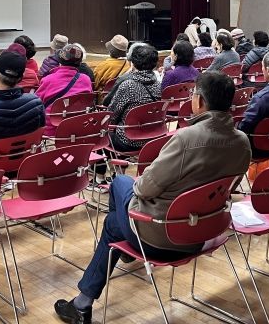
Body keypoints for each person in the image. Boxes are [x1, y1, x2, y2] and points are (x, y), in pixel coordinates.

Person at [53, 72, 251, 324]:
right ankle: (88, 295)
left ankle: (84, 303)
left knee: (120, 188)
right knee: (116, 220)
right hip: (202, 231)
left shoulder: (186, 138)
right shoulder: (242, 141)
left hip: (162, 235)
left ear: (199, 100)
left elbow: (144, 189)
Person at [107, 43, 161, 155]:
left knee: (99, 135)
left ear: (133, 62)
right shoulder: (159, 85)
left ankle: (105, 166)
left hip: (128, 141)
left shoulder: (128, 85)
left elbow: (112, 114)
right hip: (153, 137)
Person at [36, 44, 93, 137]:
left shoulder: (48, 80)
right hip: (77, 130)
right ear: (80, 63)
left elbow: (36, 104)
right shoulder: (86, 80)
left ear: (60, 60)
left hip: (50, 132)